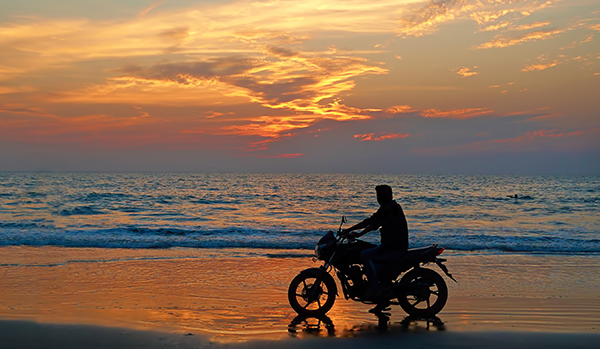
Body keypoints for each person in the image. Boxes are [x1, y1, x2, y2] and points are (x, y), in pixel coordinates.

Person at [341, 185, 408, 298]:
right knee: (364, 249)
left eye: (378, 195)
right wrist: (349, 229)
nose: (377, 198)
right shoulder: (389, 207)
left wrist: (359, 234)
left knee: (365, 255)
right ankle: (381, 295)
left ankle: (374, 287)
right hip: (391, 245)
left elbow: (373, 225)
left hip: (394, 247)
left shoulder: (389, 209)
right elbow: (370, 220)